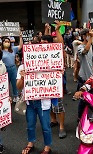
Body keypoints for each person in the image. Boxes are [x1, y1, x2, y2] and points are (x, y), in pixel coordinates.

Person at [16, 24, 63, 153]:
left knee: (46, 126)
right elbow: (18, 87)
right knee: (30, 125)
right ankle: (30, 142)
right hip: (30, 102)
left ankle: (47, 146)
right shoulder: (22, 68)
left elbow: (55, 78)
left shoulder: (49, 66)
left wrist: (59, 74)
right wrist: (23, 78)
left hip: (44, 101)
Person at [76, 28, 93, 119]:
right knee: (83, 99)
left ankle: (88, 117)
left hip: (92, 77)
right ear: (83, 36)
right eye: (87, 35)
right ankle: (80, 117)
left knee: (92, 99)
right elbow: (85, 51)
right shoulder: (80, 47)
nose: (89, 36)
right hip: (84, 77)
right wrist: (91, 38)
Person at [1, 35, 23, 102]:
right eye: (5, 41)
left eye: (8, 41)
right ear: (2, 43)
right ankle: (7, 97)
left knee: (14, 83)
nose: (7, 43)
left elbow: (20, 46)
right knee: (6, 84)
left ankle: (15, 96)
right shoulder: (1, 50)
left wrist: (20, 37)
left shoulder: (13, 49)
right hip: (5, 69)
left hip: (13, 68)